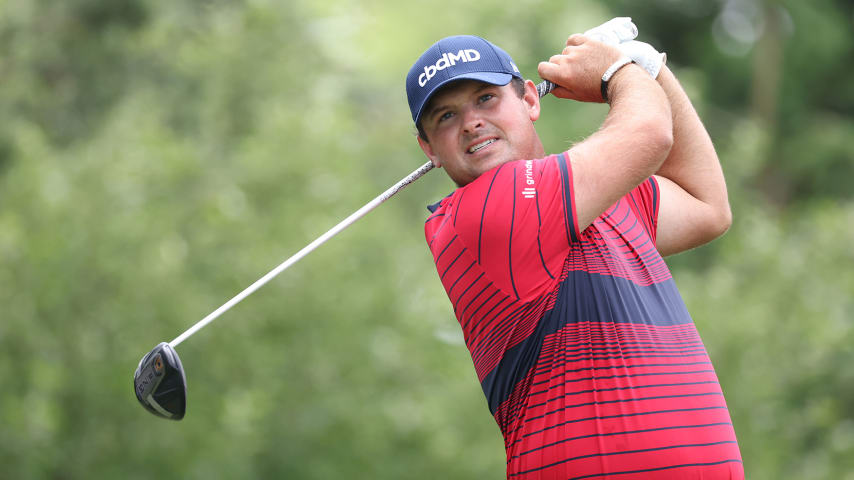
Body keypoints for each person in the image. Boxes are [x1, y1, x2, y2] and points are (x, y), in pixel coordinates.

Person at [405, 29, 743, 480]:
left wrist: (652, 69)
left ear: (529, 100)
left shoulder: (597, 199)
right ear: (428, 148)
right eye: (446, 116)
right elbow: (650, 131)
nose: (470, 122)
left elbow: (707, 206)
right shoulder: (483, 210)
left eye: (486, 98)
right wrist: (618, 71)